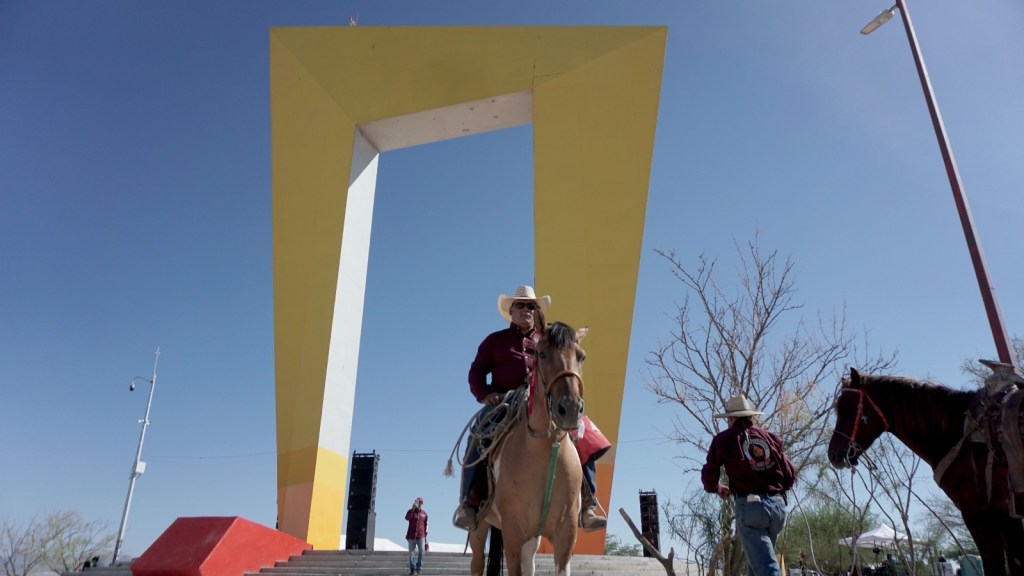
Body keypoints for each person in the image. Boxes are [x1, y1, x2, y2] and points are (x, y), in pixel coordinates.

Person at [454, 285, 609, 532]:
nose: (526, 309)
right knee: (477, 434)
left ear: (537, 311)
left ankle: (588, 503)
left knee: (583, 431)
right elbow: (476, 372)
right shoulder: (494, 341)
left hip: (542, 401)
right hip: (503, 402)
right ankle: (468, 503)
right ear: (511, 310)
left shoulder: (547, 339)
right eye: (521, 305)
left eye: (531, 306)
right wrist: (486, 395)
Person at [701, 394, 795, 576]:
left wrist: (716, 488)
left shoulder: (724, 439)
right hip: (777, 509)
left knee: (766, 568)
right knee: (756, 565)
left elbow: (709, 473)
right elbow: (790, 475)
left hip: (751, 508)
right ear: (750, 416)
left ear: (731, 418)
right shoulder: (771, 438)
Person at [404, 497, 428, 575]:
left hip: (421, 535)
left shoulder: (424, 514)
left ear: (421, 504)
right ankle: (413, 569)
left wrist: (426, 539)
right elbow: (407, 518)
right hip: (411, 535)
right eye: (416, 502)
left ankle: (419, 568)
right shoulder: (410, 511)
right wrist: (413, 509)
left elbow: (426, 526)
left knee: (422, 551)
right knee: (411, 552)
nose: (417, 504)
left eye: (419, 503)